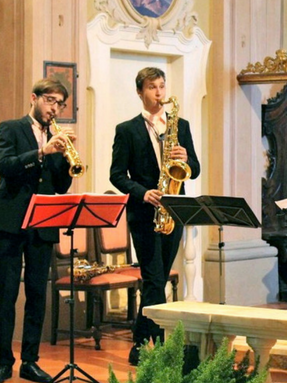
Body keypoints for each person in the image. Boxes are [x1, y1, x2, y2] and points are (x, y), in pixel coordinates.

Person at [0, 78, 76, 383]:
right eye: (50, 100)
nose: (55, 108)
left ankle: (30, 361)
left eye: (60, 103)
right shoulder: (10, 128)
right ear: (34, 98)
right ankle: (3, 363)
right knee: (7, 294)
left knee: (37, 294)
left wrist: (66, 160)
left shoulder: (56, 137)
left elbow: (60, 187)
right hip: (9, 224)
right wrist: (41, 152)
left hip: (43, 225)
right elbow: (4, 165)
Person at [110, 67, 200, 366]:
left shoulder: (180, 125)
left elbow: (195, 169)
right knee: (154, 278)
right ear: (140, 92)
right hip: (144, 213)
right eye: (152, 87)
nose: (159, 92)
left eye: (162, 86)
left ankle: (140, 343)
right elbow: (116, 175)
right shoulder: (127, 129)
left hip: (174, 210)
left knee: (156, 280)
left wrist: (187, 159)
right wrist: (142, 192)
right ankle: (159, 345)